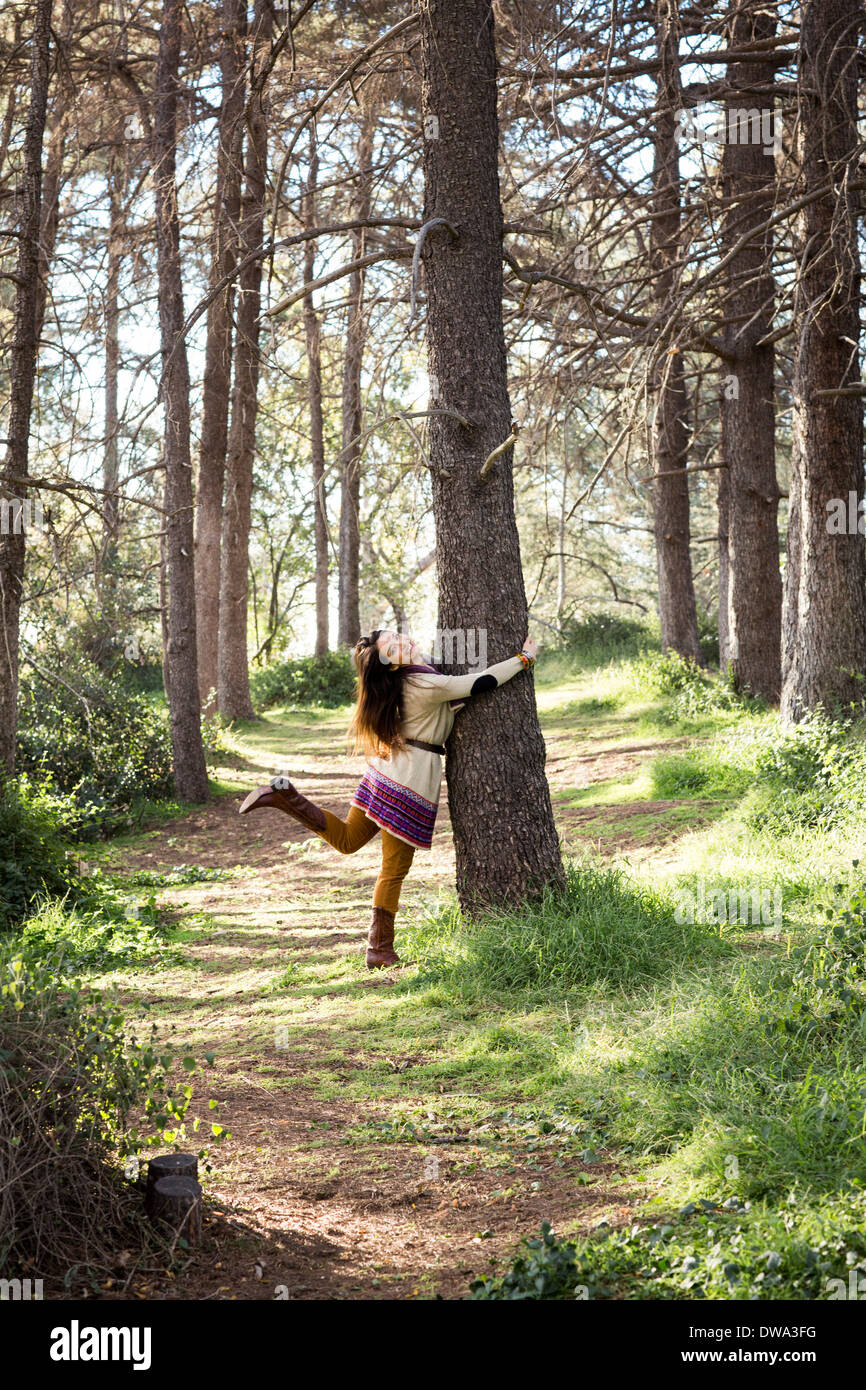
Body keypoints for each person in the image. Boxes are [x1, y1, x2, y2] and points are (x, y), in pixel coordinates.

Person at [239, 629, 537, 969]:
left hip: (386, 772)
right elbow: (481, 682)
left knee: (348, 840)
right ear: (391, 664)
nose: (404, 642)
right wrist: (524, 659)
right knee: (394, 869)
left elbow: (440, 681)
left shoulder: (411, 675)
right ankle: (379, 949)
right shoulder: (424, 683)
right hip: (407, 779)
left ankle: (285, 797)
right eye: (393, 647)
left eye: (399, 636)